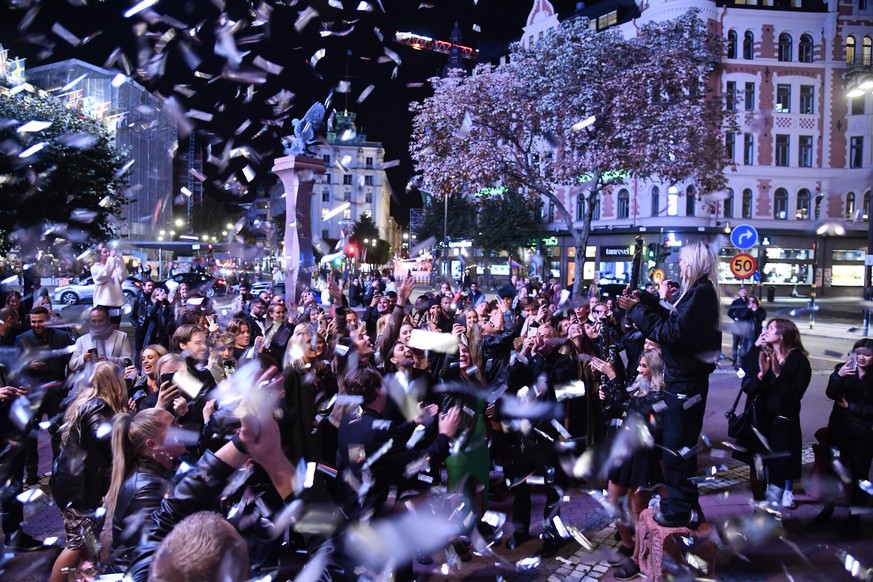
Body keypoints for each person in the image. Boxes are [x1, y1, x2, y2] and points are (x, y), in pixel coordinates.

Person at [619, 240, 722, 529]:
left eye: (684, 261)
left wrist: (639, 311)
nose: (680, 265)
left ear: (695, 264)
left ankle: (679, 508)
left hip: (685, 382)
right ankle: (684, 503)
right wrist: (646, 302)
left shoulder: (700, 293)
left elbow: (671, 332)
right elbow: (673, 319)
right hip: (685, 379)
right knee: (679, 445)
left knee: (677, 447)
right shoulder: (698, 293)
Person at [50, 361, 129, 582]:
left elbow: (56, 434)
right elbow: (102, 436)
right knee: (77, 543)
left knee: (90, 543)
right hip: (80, 489)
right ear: (114, 382)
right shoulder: (97, 407)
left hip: (71, 481)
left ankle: (88, 578)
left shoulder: (78, 401)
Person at [594, 349, 666, 580]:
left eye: (643, 366)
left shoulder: (662, 396)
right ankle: (627, 544)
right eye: (639, 365)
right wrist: (607, 397)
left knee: (638, 509)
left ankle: (636, 558)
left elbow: (636, 410)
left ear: (654, 369)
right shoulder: (637, 386)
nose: (638, 370)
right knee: (612, 501)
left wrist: (613, 376)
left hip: (643, 455)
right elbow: (621, 407)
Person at [736, 318, 811, 511]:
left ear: (784, 334)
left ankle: (774, 507)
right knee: (757, 467)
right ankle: (760, 508)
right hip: (758, 420)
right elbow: (747, 387)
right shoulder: (762, 354)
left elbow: (794, 397)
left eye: (772, 328)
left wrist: (778, 374)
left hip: (782, 424)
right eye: (767, 328)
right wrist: (761, 375)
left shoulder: (799, 361)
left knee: (779, 468)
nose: (766, 331)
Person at [102, 408, 185, 573]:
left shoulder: (171, 464)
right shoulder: (146, 490)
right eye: (173, 426)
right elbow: (158, 550)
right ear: (152, 445)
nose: (181, 428)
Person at [15, 306, 74, 483]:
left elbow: (71, 364)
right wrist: (28, 366)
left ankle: (57, 473)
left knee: (57, 433)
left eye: (40, 321)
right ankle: (32, 475)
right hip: (33, 393)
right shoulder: (21, 339)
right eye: (33, 321)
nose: (36, 325)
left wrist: (67, 386)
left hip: (57, 393)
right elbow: (14, 368)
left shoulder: (63, 337)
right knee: (31, 435)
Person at [823, 338, 873, 535]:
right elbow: (830, 393)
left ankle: (855, 518)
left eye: (867, 355)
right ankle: (828, 509)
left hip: (863, 435)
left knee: (860, 477)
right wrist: (839, 375)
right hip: (839, 431)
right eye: (858, 354)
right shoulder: (842, 369)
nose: (861, 358)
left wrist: (852, 407)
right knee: (832, 471)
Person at [69, 307, 133, 372]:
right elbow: (72, 365)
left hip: (113, 378)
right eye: (93, 321)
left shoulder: (121, 336)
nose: (97, 324)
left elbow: (128, 361)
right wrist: (83, 359)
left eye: (101, 321)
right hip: (90, 379)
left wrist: (110, 360)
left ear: (108, 320)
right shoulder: (81, 340)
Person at [91, 242, 128, 329]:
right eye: (105, 252)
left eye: (109, 251)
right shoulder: (95, 268)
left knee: (114, 330)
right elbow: (104, 274)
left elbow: (122, 277)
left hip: (115, 304)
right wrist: (111, 258)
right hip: (102, 304)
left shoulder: (114, 266)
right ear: (99, 255)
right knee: (101, 329)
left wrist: (120, 260)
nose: (108, 254)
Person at [130, 279, 155, 365]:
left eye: (152, 286)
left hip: (152, 328)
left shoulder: (154, 297)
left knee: (151, 350)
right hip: (141, 327)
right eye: (148, 285)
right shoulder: (138, 298)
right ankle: (137, 369)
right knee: (138, 350)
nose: (151, 287)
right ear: (144, 287)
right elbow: (132, 316)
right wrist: (137, 326)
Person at [727, 286, 749, 366]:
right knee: (735, 343)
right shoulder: (736, 302)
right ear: (739, 293)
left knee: (744, 344)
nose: (744, 292)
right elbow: (729, 313)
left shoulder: (749, 302)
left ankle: (743, 360)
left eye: (745, 291)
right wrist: (734, 318)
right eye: (742, 291)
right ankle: (734, 360)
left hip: (746, 326)